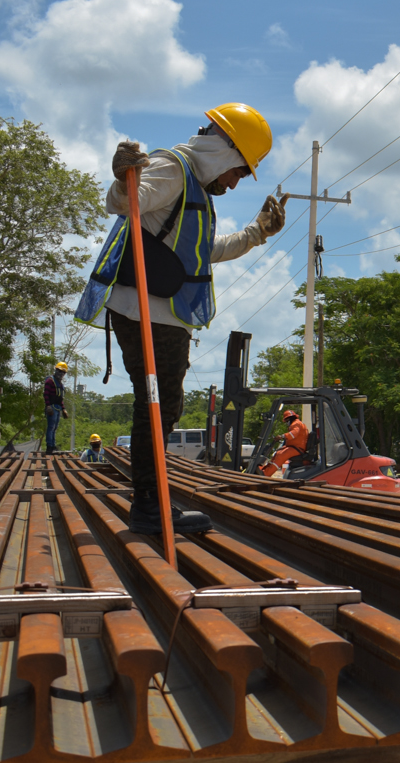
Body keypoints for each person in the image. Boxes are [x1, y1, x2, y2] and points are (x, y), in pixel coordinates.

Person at [73, 103, 286, 535]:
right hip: (148, 313)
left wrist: (256, 233)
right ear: (226, 152)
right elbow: (124, 201)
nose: (234, 182)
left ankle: (151, 504)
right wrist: (122, 177)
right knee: (157, 406)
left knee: (158, 406)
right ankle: (149, 508)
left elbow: (202, 252)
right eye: (240, 171)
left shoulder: (195, 189)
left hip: (160, 313)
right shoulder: (174, 168)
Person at [266, 409, 310, 474]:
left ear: (290, 418)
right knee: (277, 453)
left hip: (297, 448)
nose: (286, 423)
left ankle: (266, 474)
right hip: (294, 447)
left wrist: (282, 436)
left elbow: (293, 434)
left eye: (286, 421)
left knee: (281, 455)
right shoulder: (296, 423)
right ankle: (265, 469)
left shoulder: (296, 424)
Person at [43, 361, 69, 453]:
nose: (61, 374)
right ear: (56, 370)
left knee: (55, 428)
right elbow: (46, 394)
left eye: (63, 372)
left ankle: (53, 445)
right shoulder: (50, 381)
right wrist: (48, 406)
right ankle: (49, 446)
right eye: (59, 371)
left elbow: (60, 398)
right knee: (51, 427)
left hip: (57, 407)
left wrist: (63, 409)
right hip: (52, 407)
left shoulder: (60, 384)